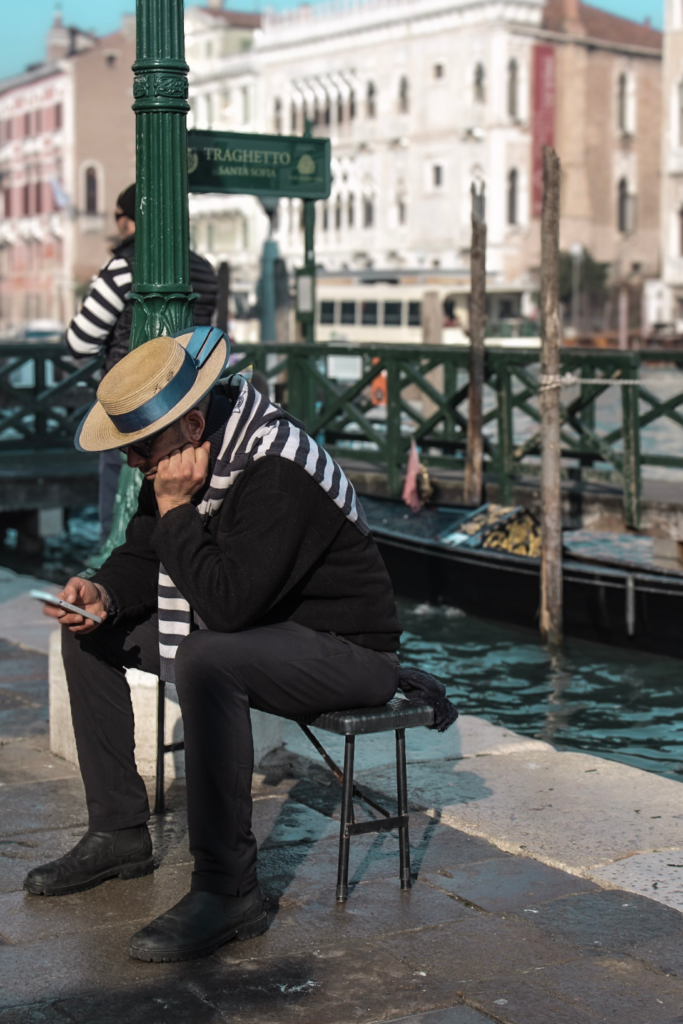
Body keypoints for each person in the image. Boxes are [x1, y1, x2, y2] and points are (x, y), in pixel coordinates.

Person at [25, 326, 402, 963]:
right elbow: (145, 556)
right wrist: (103, 595)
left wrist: (176, 512)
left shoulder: (276, 464)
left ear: (192, 423)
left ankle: (230, 891)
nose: (134, 464)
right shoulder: (179, 454)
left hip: (347, 650)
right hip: (263, 631)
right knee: (91, 634)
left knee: (207, 657)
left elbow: (228, 607)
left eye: (139, 449)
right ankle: (118, 833)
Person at [65, 184, 218, 543]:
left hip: (131, 405)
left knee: (124, 505)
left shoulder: (122, 266)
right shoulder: (205, 269)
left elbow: (79, 342)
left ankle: (119, 568)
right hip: (191, 401)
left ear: (126, 220)